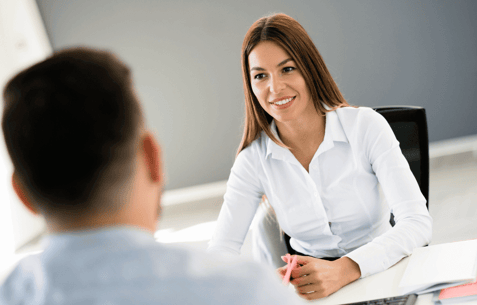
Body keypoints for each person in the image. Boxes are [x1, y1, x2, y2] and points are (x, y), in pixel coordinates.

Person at [0, 47, 303, 305]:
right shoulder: (246, 291)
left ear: (22, 195)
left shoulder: (12, 293)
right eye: (260, 75)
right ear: (153, 158)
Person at [207, 13, 433, 300]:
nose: (274, 88)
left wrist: (345, 269)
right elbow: (221, 251)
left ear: (309, 69)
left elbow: (417, 222)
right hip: (314, 288)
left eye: (287, 69)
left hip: (383, 270)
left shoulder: (365, 126)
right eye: (260, 75)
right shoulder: (252, 161)